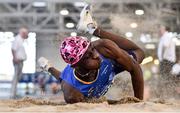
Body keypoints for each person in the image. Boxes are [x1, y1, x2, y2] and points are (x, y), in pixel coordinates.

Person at [38, 5, 145, 103]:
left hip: (110, 65)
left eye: (92, 50)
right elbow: (96, 104)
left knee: (139, 53)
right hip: (77, 81)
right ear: (76, 65)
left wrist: (139, 103)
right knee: (62, 78)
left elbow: (135, 69)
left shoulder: (102, 48)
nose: (96, 56)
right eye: (88, 57)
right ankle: (48, 67)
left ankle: (93, 29)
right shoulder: (72, 94)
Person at [11, 27, 29, 99]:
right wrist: (15, 58)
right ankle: (13, 94)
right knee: (15, 77)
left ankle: (14, 93)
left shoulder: (21, 40)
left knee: (18, 77)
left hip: (20, 61)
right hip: (17, 61)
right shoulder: (17, 39)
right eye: (26, 33)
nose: (27, 35)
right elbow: (13, 49)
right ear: (23, 33)